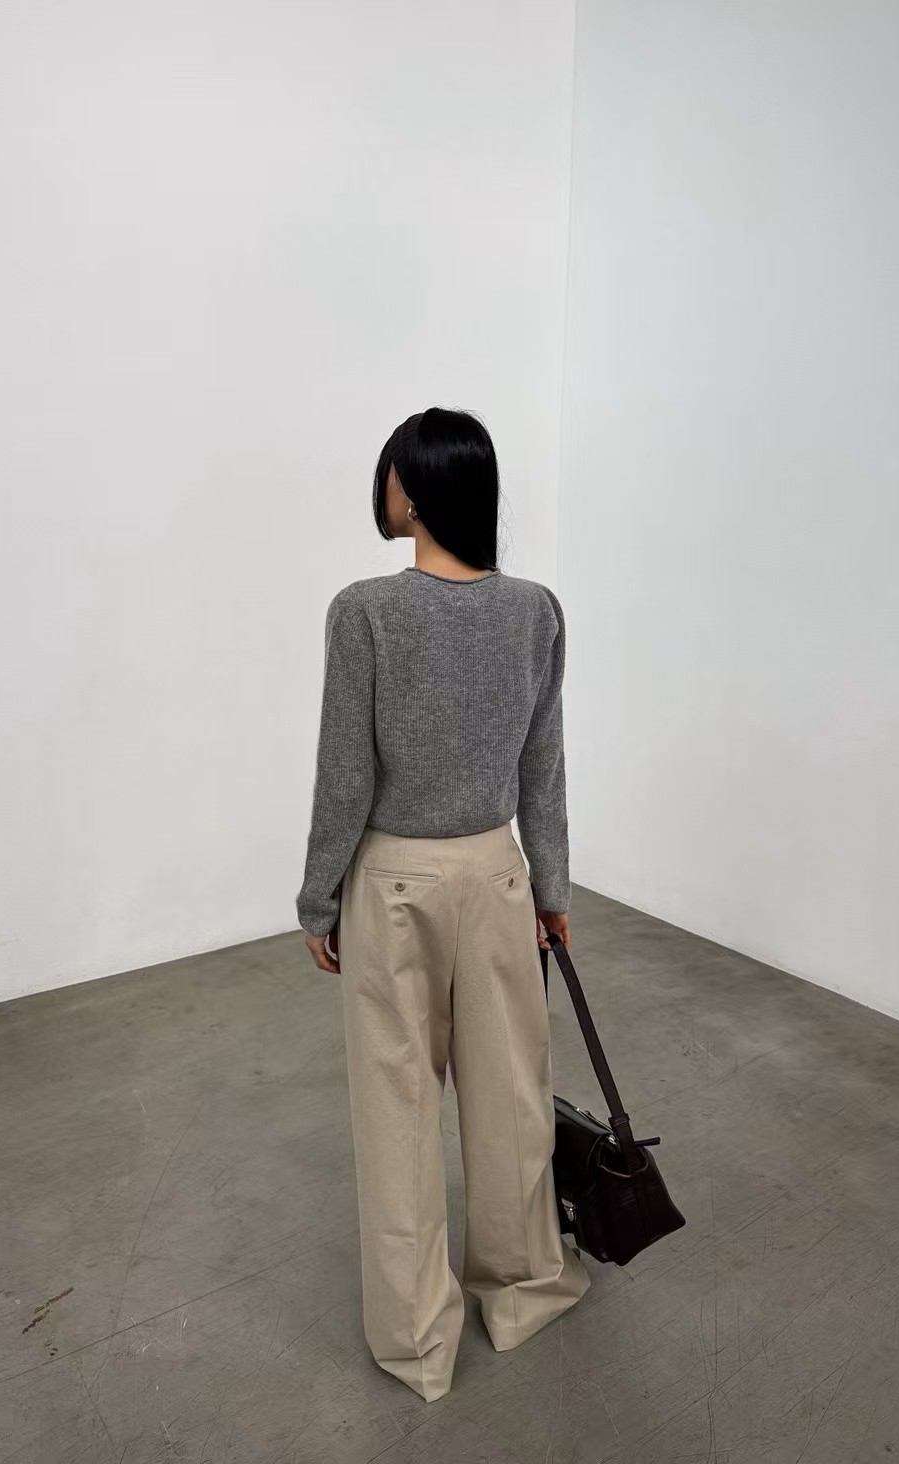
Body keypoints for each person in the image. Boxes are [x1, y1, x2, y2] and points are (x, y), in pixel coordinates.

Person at [295, 407, 589, 1401]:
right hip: (498, 877)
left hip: (394, 885)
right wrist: (550, 887)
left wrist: (319, 897)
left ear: (413, 491)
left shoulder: (364, 612)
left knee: (397, 1108)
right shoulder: (536, 610)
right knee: (511, 1096)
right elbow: (543, 767)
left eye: (391, 471)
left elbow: (346, 774)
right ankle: (523, 1291)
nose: (382, 486)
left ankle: (420, 1341)